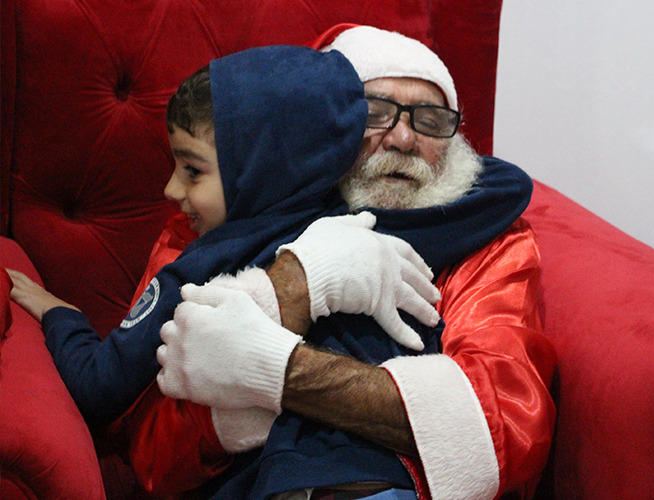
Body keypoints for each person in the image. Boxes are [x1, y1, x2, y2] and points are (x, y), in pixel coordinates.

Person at [148, 25, 557, 500]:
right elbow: (152, 451)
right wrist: (296, 281)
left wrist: (278, 369)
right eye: (373, 113)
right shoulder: (217, 218)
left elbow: (502, 423)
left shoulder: (492, 237)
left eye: (430, 118)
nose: (403, 137)